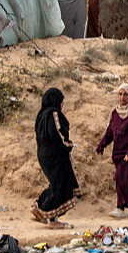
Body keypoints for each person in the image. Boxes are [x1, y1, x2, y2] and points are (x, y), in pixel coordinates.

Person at [31, 88, 79, 227]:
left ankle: (37, 207)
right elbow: (56, 134)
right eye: (62, 102)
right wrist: (68, 145)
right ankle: (53, 220)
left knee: (55, 184)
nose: (62, 105)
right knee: (61, 187)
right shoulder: (53, 114)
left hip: (43, 155)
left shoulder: (41, 115)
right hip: (55, 156)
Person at [95, 82, 128, 219]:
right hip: (118, 153)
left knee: (122, 178)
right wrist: (101, 145)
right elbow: (110, 132)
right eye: (120, 94)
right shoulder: (115, 113)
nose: (122, 98)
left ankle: (120, 208)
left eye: (125, 95)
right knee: (123, 180)